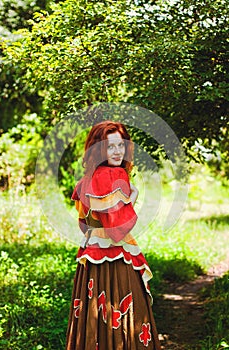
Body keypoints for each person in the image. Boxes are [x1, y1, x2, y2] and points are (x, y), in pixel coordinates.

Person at [66, 121, 161, 350]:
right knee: (125, 316)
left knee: (94, 320)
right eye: (110, 147)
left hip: (91, 262)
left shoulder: (85, 181)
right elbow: (119, 230)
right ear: (99, 150)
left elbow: (84, 223)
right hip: (116, 260)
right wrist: (133, 198)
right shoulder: (115, 175)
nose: (118, 152)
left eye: (121, 145)